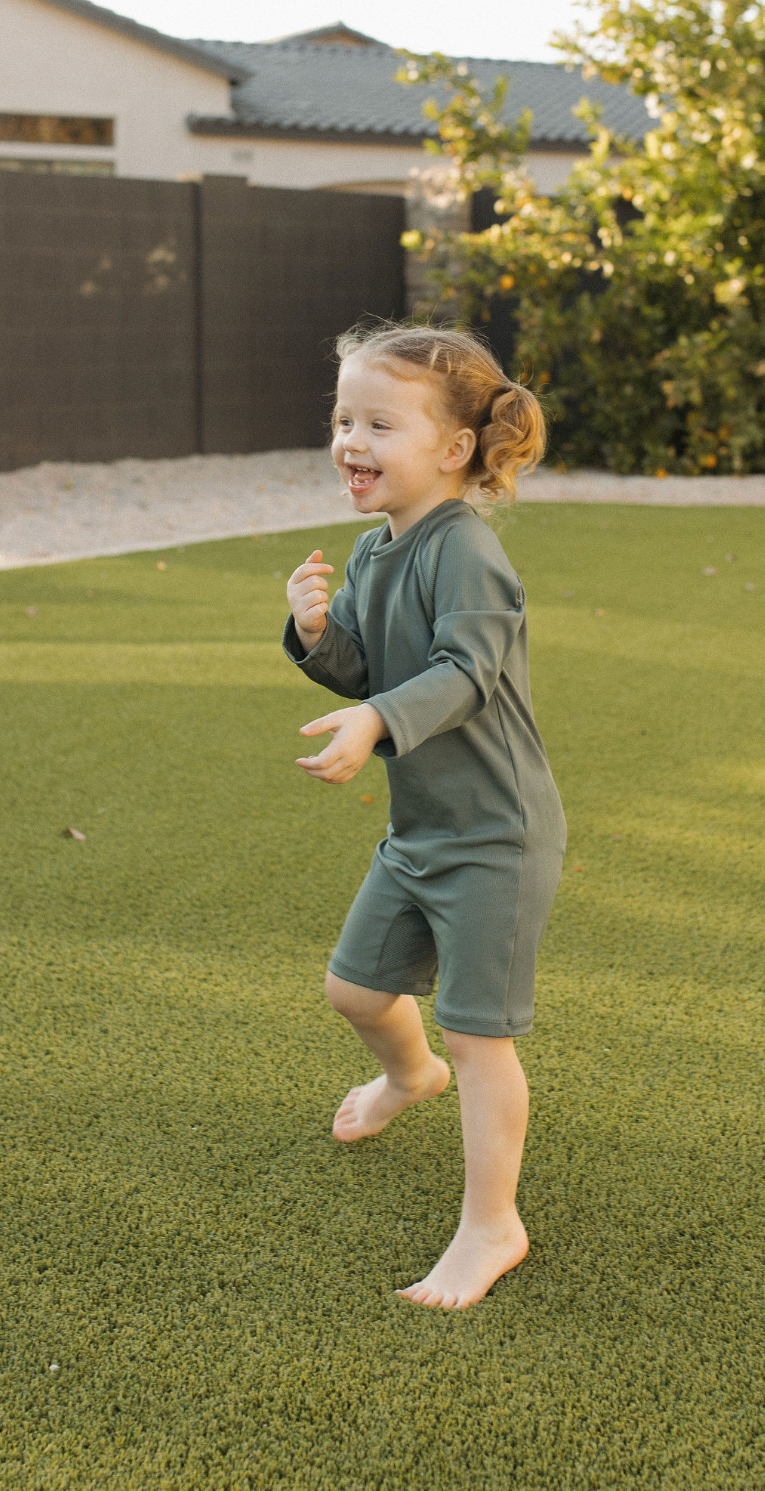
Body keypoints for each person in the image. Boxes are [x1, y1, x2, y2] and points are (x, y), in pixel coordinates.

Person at [283, 324, 566, 1310]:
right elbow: (367, 663)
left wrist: (375, 719)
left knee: (478, 1036)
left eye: (378, 424)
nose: (349, 442)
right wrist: (318, 634)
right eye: (342, 420)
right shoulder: (376, 549)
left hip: (496, 836)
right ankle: (410, 1078)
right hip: (421, 830)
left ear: (454, 449)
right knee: (355, 990)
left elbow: (466, 672)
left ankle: (493, 1226)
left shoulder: (467, 551)